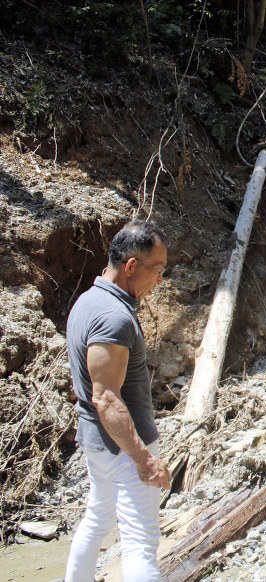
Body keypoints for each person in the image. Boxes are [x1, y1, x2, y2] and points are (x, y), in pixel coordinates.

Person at [65, 220, 171, 582]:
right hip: (124, 447)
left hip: (97, 442)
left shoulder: (88, 301)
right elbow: (106, 398)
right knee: (141, 542)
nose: (160, 281)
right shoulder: (114, 317)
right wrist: (144, 459)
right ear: (130, 266)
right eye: (157, 270)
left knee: (97, 519)